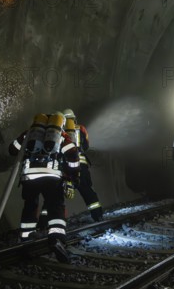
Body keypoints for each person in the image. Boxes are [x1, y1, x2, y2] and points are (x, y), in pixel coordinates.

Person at [9, 112, 80, 263]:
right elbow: (73, 153)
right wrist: (73, 175)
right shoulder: (61, 135)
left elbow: (12, 150)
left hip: (29, 177)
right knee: (56, 207)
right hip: (51, 177)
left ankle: (26, 241)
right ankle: (56, 239)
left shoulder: (30, 133)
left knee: (30, 206)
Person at [63, 108, 103, 222]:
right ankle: (97, 216)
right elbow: (86, 146)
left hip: (64, 167)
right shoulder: (81, 128)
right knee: (87, 190)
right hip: (81, 166)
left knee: (56, 194)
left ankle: (49, 223)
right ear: (74, 119)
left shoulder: (60, 131)